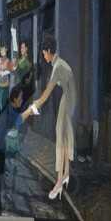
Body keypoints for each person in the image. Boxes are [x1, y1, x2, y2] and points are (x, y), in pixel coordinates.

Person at [33, 35, 76, 200]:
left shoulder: (57, 66)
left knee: (60, 137)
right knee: (64, 137)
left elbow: (48, 90)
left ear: (50, 51)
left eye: (45, 54)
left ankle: (59, 182)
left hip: (67, 98)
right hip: (70, 97)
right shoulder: (60, 63)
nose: (44, 57)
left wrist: (37, 103)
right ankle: (65, 174)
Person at [0, 45, 13, 114]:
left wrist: (2, 73)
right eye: (1, 50)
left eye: (3, 49)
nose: (2, 51)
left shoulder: (8, 61)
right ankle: (0, 113)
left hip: (5, 83)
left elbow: (9, 70)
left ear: (6, 50)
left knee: (3, 99)